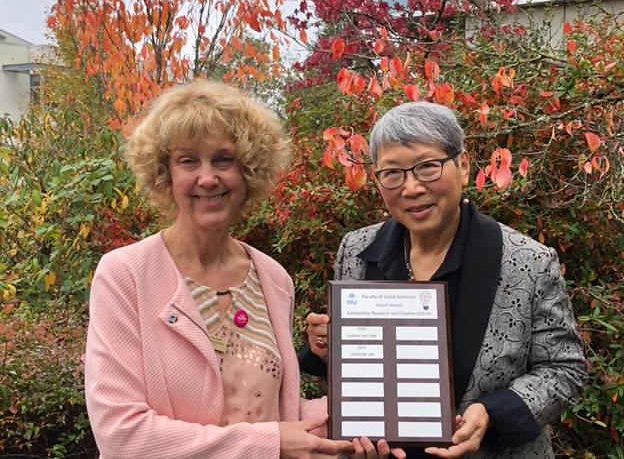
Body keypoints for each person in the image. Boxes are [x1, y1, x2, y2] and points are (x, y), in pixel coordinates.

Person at [85, 79, 397, 458]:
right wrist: (270, 444)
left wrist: (371, 419)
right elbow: (120, 434)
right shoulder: (125, 275)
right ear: (164, 173)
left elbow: (271, 411)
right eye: (188, 160)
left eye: (223, 159)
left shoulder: (273, 279)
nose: (207, 178)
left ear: (248, 170)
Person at [299, 102, 587, 458]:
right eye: (392, 173)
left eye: (427, 167)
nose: (411, 188)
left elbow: (565, 369)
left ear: (462, 165)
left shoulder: (528, 261)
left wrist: (492, 412)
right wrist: (326, 346)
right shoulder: (357, 249)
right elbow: (358, 362)